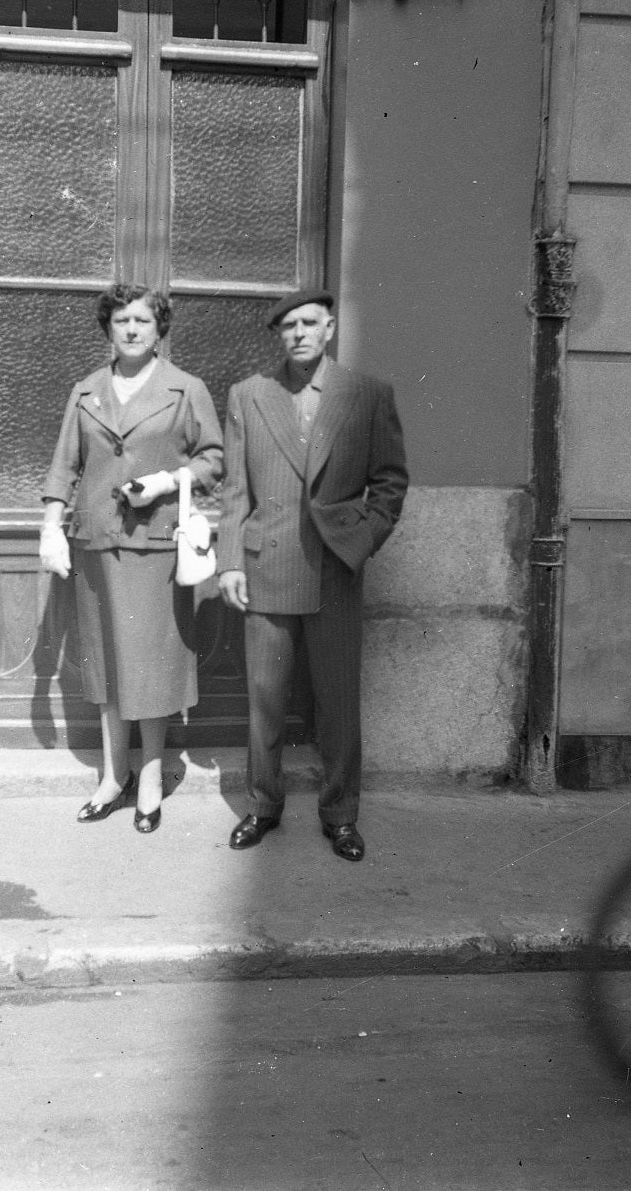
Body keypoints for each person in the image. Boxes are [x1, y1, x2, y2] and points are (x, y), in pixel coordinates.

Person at [216, 287, 408, 861]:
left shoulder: (367, 394)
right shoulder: (250, 395)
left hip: (334, 568)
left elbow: (391, 483)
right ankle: (263, 806)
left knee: (337, 701)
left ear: (329, 330)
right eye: (288, 326)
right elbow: (234, 490)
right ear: (280, 335)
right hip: (267, 563)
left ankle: (341, 815)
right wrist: (229, 561)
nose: (298, 333)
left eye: (309, 323)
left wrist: (360, 538)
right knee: (265, 699)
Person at [39, 284, 223, 833]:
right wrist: (52, 526)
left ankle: (149, 780)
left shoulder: (186, 389)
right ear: (108, 328)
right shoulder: (86, 391)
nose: (132, 329)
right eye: (121, 320)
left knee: (151, 671)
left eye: (143, 319)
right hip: (97, 545)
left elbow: (214, 459)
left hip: (155, 549)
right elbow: (64, 466)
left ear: (159, 327)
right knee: (107, 667)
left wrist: (169, 480)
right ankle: (112, 778)